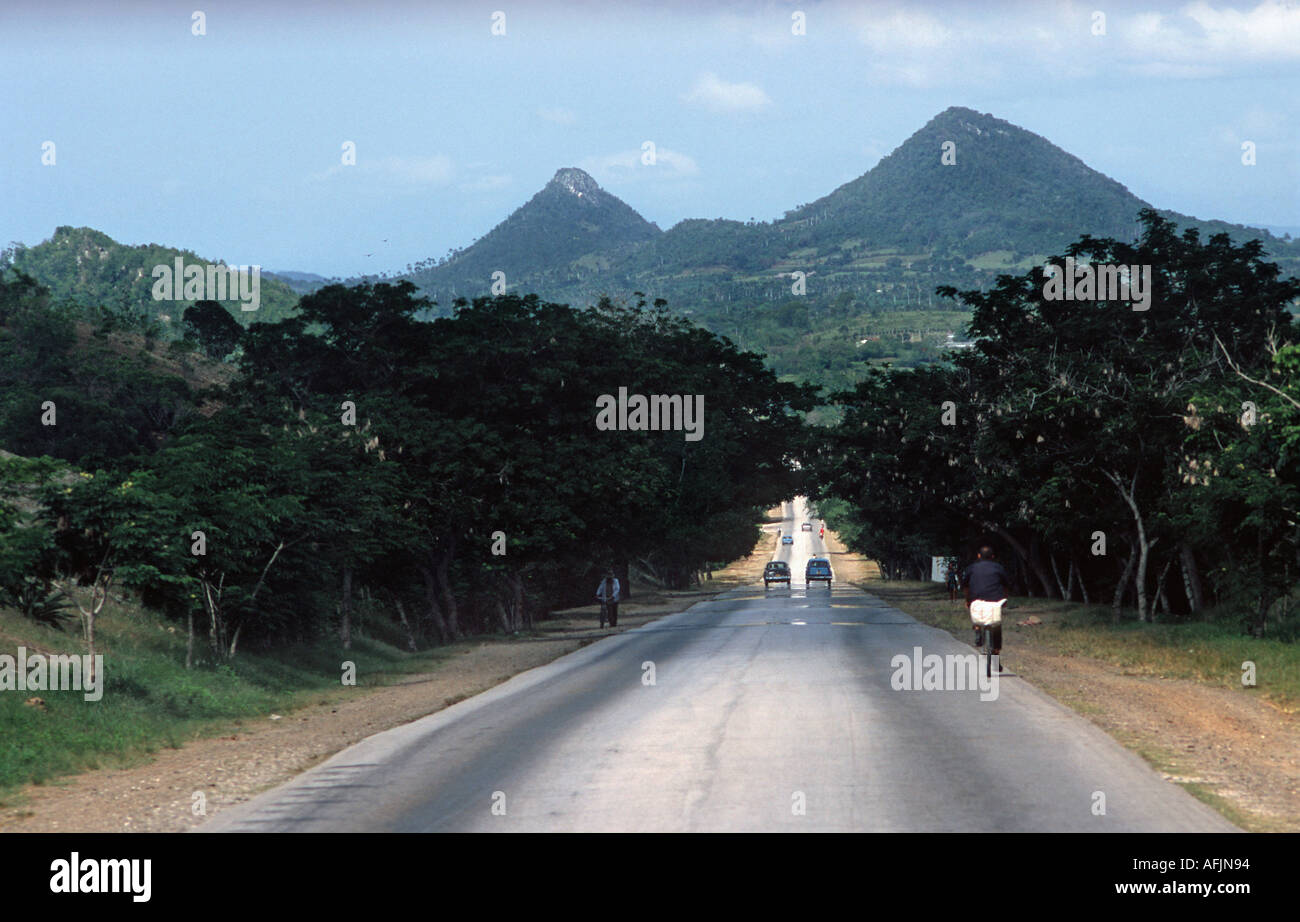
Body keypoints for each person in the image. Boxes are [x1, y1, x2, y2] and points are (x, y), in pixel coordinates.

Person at [963, 546, 1010, 660]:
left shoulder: (972, 568)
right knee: (996, 625)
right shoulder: (998, 568)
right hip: (995, 600)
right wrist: (1004, 600)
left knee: (976, 615)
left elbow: (965, 586)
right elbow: (1006, 585)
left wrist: (968, 601)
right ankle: (996, 653)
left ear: (979, 556)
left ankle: (977, 628)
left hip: (976, 599)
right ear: (993, 557)